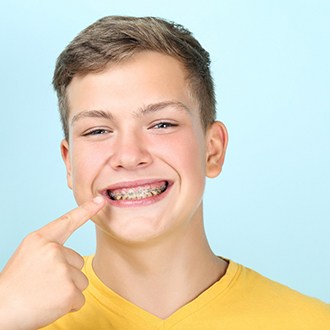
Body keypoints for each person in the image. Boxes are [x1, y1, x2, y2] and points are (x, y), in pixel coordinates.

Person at [0, 16, 329, 330]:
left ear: (213, 150)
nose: (129, 156)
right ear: (69, 164)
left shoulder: (314, 322)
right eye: (98, 131)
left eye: (162, 124)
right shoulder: (15, 314)